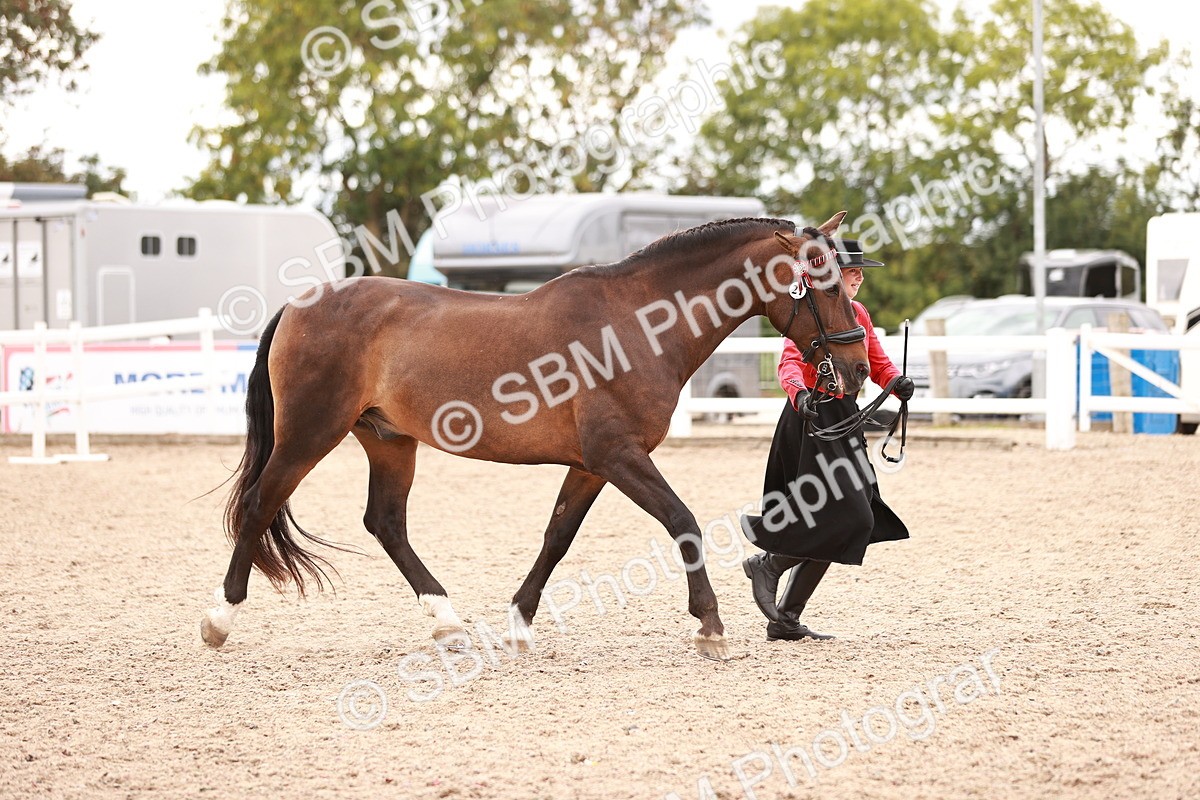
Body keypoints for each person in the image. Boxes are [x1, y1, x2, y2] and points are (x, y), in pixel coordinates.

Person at [740, 237, 915, 641]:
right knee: (850, 517)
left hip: (844, 418)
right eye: (851, 271)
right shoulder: (813, 308)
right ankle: (769, 565)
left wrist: (897, 382)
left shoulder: (858, 314)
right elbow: (789, 361)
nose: (857, 277)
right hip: (812, 417)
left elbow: (875, 362)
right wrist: (800, 394)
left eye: (859, 272)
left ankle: (785, 618)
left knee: (850, 520)